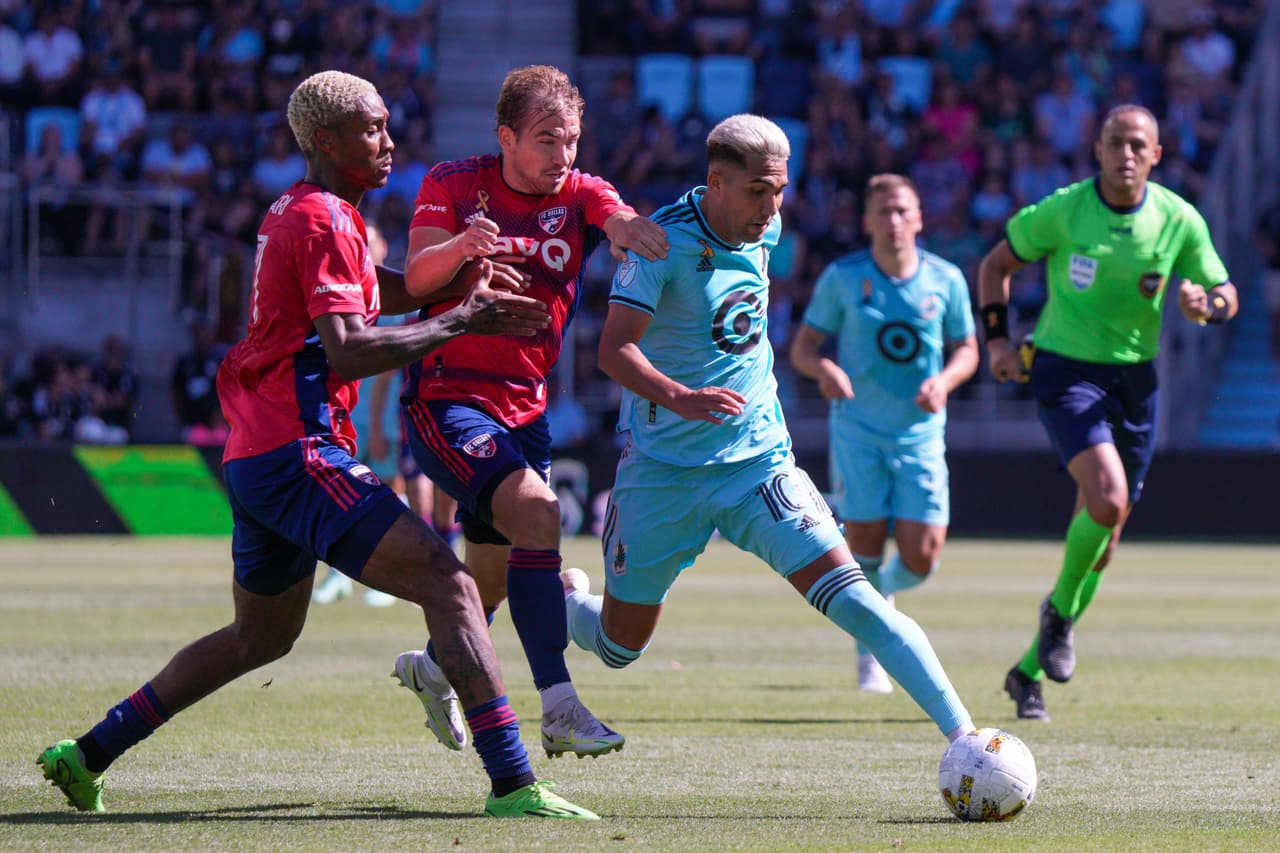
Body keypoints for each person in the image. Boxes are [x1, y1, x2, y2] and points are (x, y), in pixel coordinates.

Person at [37, 70, 597, 821]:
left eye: (388, 126)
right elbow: (349, 350)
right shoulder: (325, 220)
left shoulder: (307, 212)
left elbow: (383, 292)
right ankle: (514, 783)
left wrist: (460, 277)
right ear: (327, 142)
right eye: (372, 130)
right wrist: (467, 322)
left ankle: (88, 752)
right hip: (299, 448)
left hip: (258, 452)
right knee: (452, 584)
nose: (389, 142)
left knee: (257, 638)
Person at [562, 114, 977, 756]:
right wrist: (680, 396)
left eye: (779, 189)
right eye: (757, 190)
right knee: (619, 648)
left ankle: (969, 741)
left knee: (861, 602)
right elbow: (613, 352)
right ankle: (568, 601)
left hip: (759, 466)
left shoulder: (767, 225)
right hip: (662, 471)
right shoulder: (658, 244)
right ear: (715, 183)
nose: (772, 206)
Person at [390, 64, 668, 760]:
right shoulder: (453, 185)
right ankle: (559, 705)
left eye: (571, 140)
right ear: (506, 137)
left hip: (525, 408)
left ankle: (432, 667)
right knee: (541, 515)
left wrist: (628, 229)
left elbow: (612, 211)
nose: (563, 155)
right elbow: (417, 276)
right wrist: (464, 248)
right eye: (547, 140)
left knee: (490, 580)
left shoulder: (576, 193)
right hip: (448, 397)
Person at [977, 104, 1238, 722]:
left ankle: (1027, 670)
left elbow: (1222, 291)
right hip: (1065, 370)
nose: (1126, 154)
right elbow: (996, 266)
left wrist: (1209, 306)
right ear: (1097, 149)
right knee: (1109, 499)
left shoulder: (1178, 219)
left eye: (1137, 145)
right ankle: (1061, 617)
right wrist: (995, 341)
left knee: (1104, 541)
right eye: (1115, 143)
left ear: (1156, 156)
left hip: (1135, 384)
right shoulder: (1065, 210)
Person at [789, 174, 978, 693]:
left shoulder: (946, 280)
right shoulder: (843, 278)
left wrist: (946, 380)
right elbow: (804, 348)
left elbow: (968, 349)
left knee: (923, 555)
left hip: (919, 433)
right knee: (865, 541)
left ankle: (880, 594)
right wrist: (824, 370)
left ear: (919, 218)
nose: (893, 221)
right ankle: (871, 649)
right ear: (868, 220)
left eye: (902, 211)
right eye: (883, 211)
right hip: (858, 431)